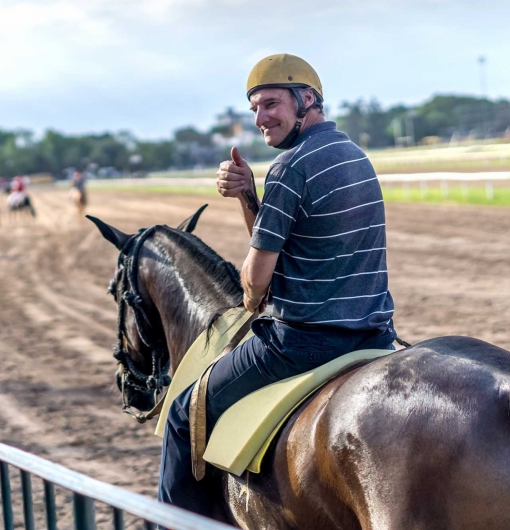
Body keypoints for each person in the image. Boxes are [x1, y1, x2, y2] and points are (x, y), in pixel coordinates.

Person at [159, 54, 397, 517]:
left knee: (183, 414)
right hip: (376, 335)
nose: (261, 117)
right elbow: (294, 241)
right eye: (254, 109)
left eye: (271, 103)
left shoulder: (292, 165)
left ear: (307, 99)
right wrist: (250, 194)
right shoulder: (355, 155)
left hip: (301, 342)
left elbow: (255, 286)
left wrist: (250, 290)